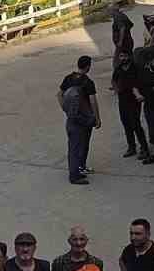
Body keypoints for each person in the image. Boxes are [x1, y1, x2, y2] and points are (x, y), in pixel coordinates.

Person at [59, 55, 101, 186]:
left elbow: (59, 94)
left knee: (75, 145)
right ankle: (75, 175)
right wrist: (97, 118)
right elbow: (93, 101)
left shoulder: (68, 79)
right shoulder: (87, 82)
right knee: (80, 146)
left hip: (72, 119)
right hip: (85, 119)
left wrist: (66, 110)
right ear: (88, 67)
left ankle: (79, 168)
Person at [110, 51, 147, 159]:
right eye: (121, 56)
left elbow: (141, 82)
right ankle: (131, 147)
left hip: (134, 100)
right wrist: (116, 89)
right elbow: (113, 80)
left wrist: (139, 93)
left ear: (129, 56)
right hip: (123, 100)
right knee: (126, 123)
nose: (123, 58)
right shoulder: (118, 68)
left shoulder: (135, 68)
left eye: (125, 56)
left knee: (135, 124)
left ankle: (144, 148)